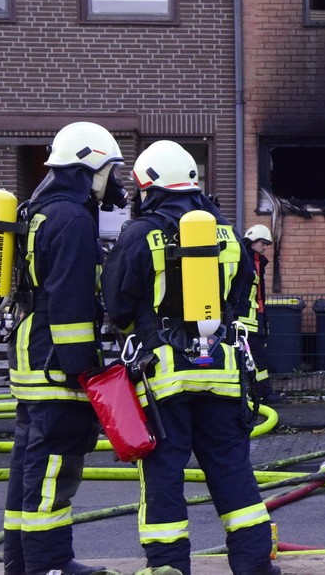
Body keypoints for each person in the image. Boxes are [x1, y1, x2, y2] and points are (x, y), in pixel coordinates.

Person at [101, 140, 277, 575]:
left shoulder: (140, 234)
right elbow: (240, 297)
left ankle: (168, 567)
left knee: (163, 476)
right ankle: (254, 564)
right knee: (232, 470)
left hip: (163, 381)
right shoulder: (228, 232)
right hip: (223, 372)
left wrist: (142, 331)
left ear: (151, 186)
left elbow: (118, 306)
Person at [3, 121, 127, 575]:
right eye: (108, 170)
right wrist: (84, 372)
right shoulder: (73, 220)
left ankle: (21, 563)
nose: (111, 182)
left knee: (29, 468)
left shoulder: (39, 211)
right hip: (57, 367)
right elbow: (72, 303)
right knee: (54, 467)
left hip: (31, 360)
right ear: (89, 166)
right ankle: (49, 564)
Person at [242, 224, 286, 405]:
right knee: (256, 357)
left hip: (255, 317)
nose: (265, 247)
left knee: (256, 357)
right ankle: (264, 394)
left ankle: (260, 394)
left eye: (267, 244)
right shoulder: (244, 260)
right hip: (245, 319)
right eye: (263, 242)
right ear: (252, 241)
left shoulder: (258, 262)